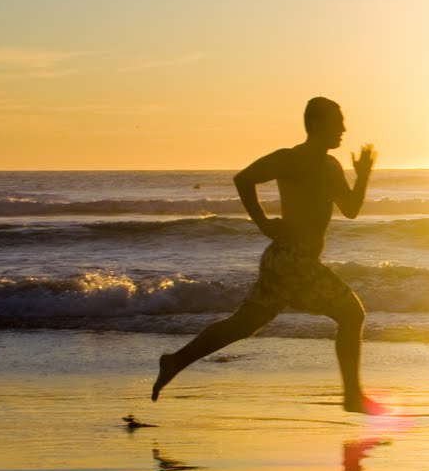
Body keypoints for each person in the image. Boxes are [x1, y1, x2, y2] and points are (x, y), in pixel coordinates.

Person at [152, 97, 382, 412]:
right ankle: (352, 397)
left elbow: (351, 210)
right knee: (352, 314)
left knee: (244, 325)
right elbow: (243, 179)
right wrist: (261, 222)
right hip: (291, 259)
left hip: (292, 261)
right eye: (337, 121)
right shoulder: (291, 159)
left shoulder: (331, 166)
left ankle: (175, 360)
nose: (344, 128)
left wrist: (364, 175)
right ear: (315, 124)